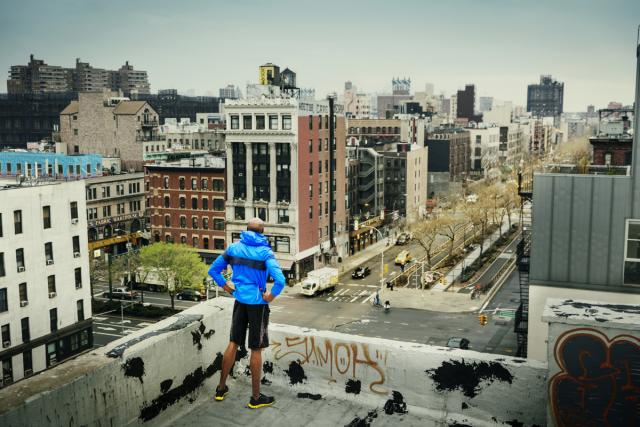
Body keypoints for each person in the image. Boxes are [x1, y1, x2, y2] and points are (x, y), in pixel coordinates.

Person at [208, 218, 286, 409]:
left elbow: (213, 270)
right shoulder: (265, 252)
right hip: (257, 304)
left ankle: (220, 388)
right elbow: (280, 280)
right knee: (256, 348)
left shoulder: (233, 248)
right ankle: (256, 398)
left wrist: (227, 288)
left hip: (240, 300)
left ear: (246, 231)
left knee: (233, 342)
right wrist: (270, 297)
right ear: (262, 232)